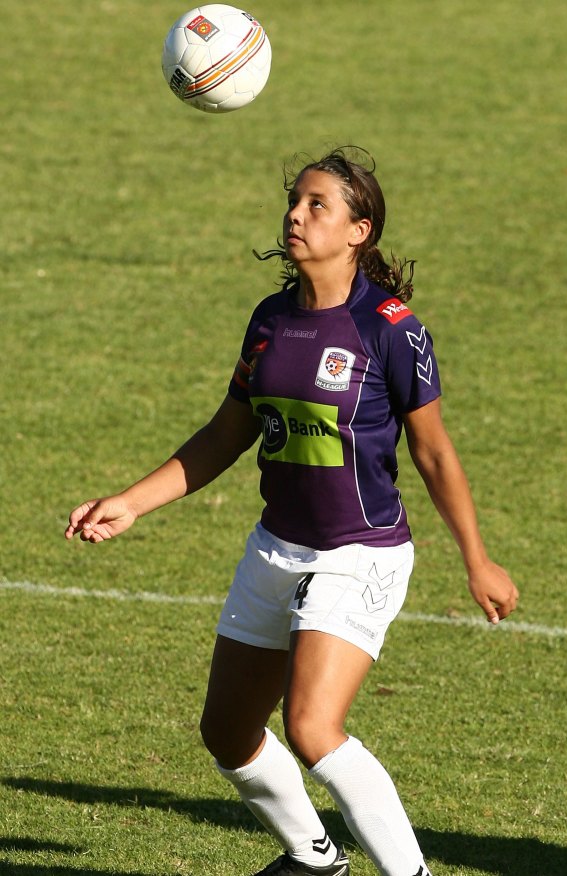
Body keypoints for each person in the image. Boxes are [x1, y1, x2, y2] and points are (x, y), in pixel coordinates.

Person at [65, 146, 519, 876]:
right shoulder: (271, 319)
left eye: (317, 206)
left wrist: (477, 558)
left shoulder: (390, 329)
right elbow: (226, 433)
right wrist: (131, 502)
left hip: (359, 552)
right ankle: (313, 859)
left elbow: (433, 453)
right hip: (276, 548)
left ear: (357, 230)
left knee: (311, 728)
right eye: (295, 201)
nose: (296, 216)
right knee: (227, 731)